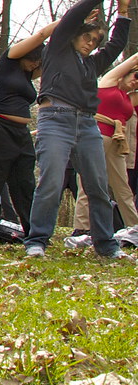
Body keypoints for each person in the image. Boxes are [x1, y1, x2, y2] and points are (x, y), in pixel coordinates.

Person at [25, 0, 133, 260]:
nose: (90, 43)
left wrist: (122, 12)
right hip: (55, 120)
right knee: (50, 182)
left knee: (98, 184)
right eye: (87, 36)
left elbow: (116, 45)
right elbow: (72, 17)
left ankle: (106, 245)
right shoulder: (57, 50)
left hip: (87, 124)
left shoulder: (92, 64)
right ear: (73, 35)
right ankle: (37, 241)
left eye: (95, 40)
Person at [0, 23, 50, 245]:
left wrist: (70, 33)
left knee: (25, 183)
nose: (36, 64)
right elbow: (42, 34)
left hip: (21, 133)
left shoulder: (28, 75)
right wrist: (65, 21)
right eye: (34, 58)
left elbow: (54, 54)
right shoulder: (8, 61)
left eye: (39, 62)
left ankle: (33, 232)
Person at [66, 52, 138, 246]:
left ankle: (134, 227)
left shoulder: (129, 97)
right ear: (125, 74)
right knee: (87, 182)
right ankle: (83, 227)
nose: (135, 82)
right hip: (94, 136)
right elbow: (132, 60)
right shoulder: (108, 82)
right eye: (135, 76)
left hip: (116, 141)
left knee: (122, 186)